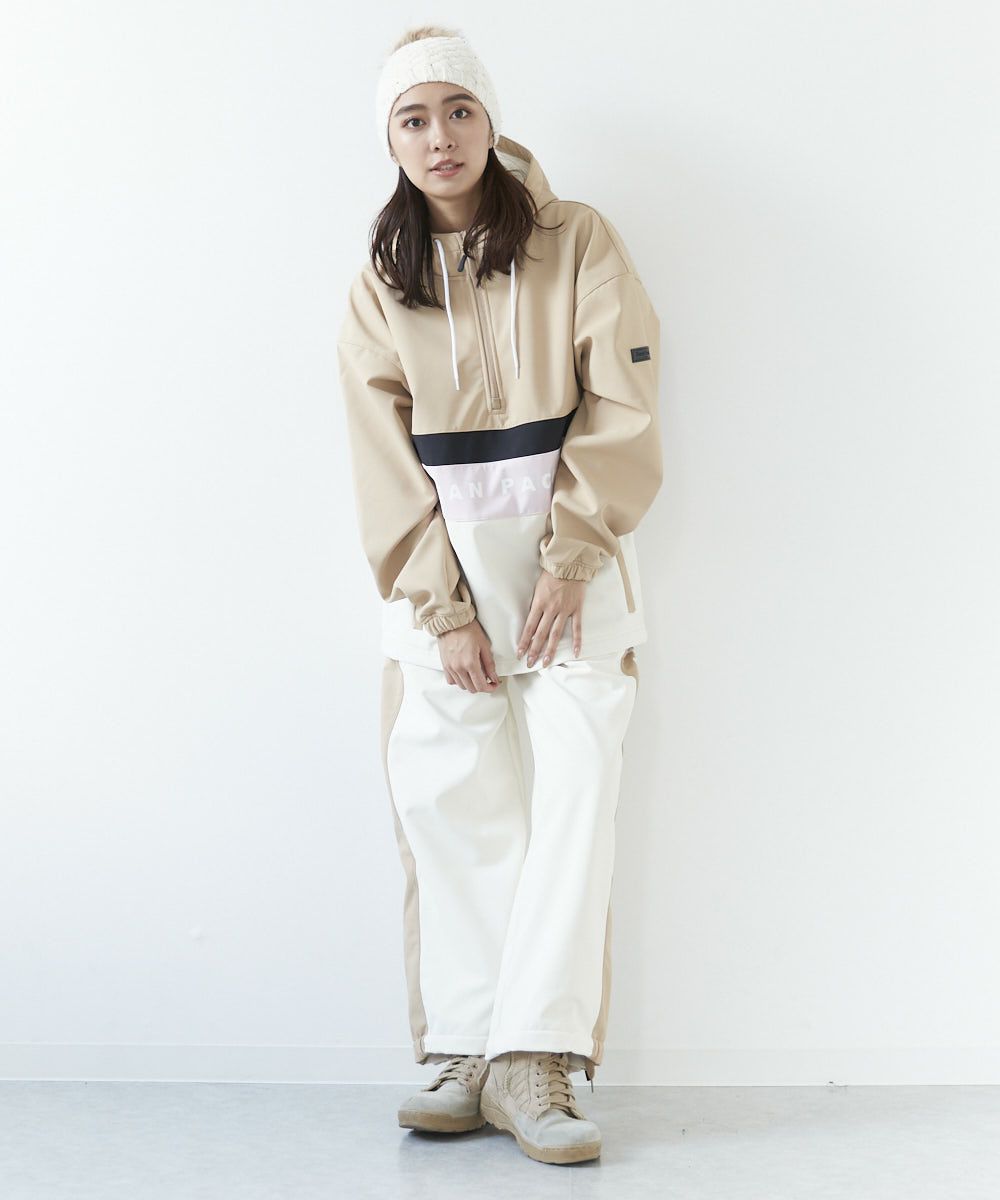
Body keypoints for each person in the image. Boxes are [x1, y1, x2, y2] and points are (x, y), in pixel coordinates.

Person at [336, 24, 663, 1166]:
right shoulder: (380, 283)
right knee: (450, 809)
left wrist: (571, 558)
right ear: (390, 140)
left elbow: (623, 407)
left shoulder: (577, 241)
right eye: (413, 119)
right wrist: (445, 608)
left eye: (458, 111)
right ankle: (466, 1051)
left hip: (573, 581)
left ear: (489, 119)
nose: (440, 137)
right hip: (445, 593)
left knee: (574, 809)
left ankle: (539, 1059)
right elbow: (381, 464)